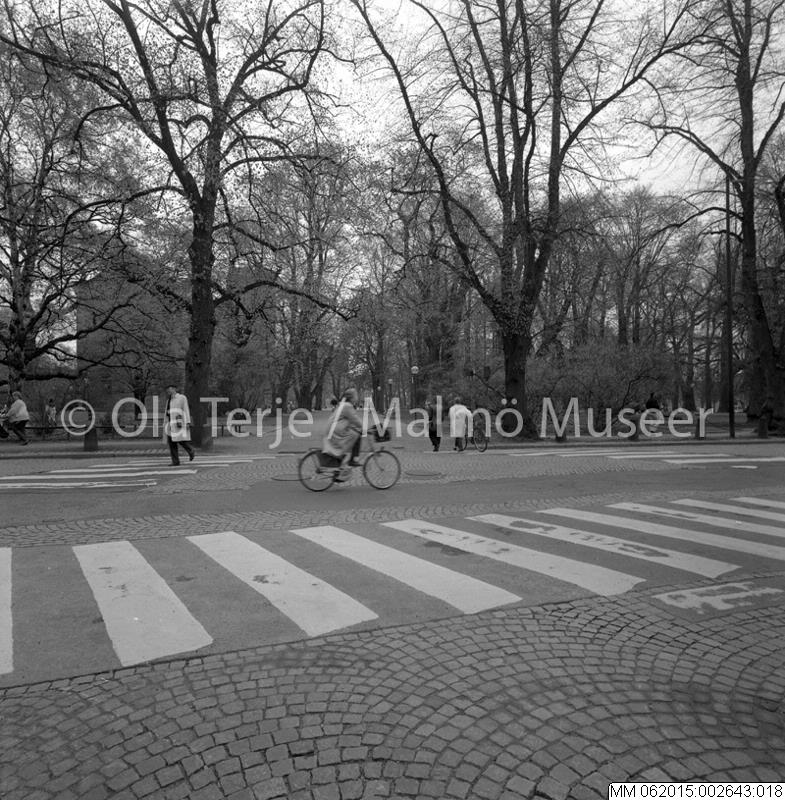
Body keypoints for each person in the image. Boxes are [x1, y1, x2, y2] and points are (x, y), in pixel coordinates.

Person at [322, 388, 363, 477]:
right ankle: (353, 459)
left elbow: (350, 420)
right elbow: (355, 419)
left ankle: (342, 464)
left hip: (333, 428)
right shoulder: (347, 406)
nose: (357, 397)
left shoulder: (344, 405)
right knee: (356, 435)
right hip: (336, 431)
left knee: (352, 435)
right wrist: (364, 427)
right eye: (356, 395)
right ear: (351, 398)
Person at [164, 383, 195, 466]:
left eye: (170, 388)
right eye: (167, 389)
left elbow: (186, 409)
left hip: (178, 422)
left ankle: (190, 450)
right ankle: (175, 461)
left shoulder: (182, 398)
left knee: (180, 440)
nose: (168, 390)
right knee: (172, 442)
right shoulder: (169, 400)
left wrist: (188, 422)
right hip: (170, 423)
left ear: (174, 389)